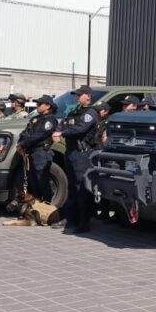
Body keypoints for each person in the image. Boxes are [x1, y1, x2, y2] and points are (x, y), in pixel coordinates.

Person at [51, 85, 99, 234]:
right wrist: (58, 131)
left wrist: (62, 133)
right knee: (71, 187)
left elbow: (80, 129)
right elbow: (62, 123)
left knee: (82, 188)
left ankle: (84, 222)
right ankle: (70, 219)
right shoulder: (74, 112)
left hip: (82, 154)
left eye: (79, 95)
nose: (77, 97)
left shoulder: (91, 112)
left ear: (88, 96)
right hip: (70, 152)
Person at [15, 95, 58, 205]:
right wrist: (21, 143)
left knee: (42, 181)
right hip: (31, 153)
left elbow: (39, 135)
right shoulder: (35, 119)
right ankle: (37, 206)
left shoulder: (50, 120)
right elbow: (25, 133)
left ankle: (47, 207)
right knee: (33, 183)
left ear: (48, 106)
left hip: (41, 153)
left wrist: (23, 144)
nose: (37, 106)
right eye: (37, 104)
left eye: (40, 104)